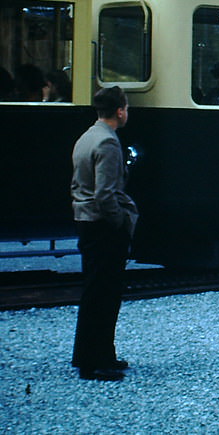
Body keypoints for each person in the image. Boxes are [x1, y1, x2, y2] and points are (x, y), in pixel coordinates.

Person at [70, 86, 139, 381]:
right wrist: (121, 222)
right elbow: (106, 194)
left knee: (95, 292)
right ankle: (94, 362)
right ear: (120, 110)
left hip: (86, 220)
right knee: (105, 295)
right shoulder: (109, 143)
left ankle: (94, 355)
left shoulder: (88, 136)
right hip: (102, 225)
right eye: (126, 107)